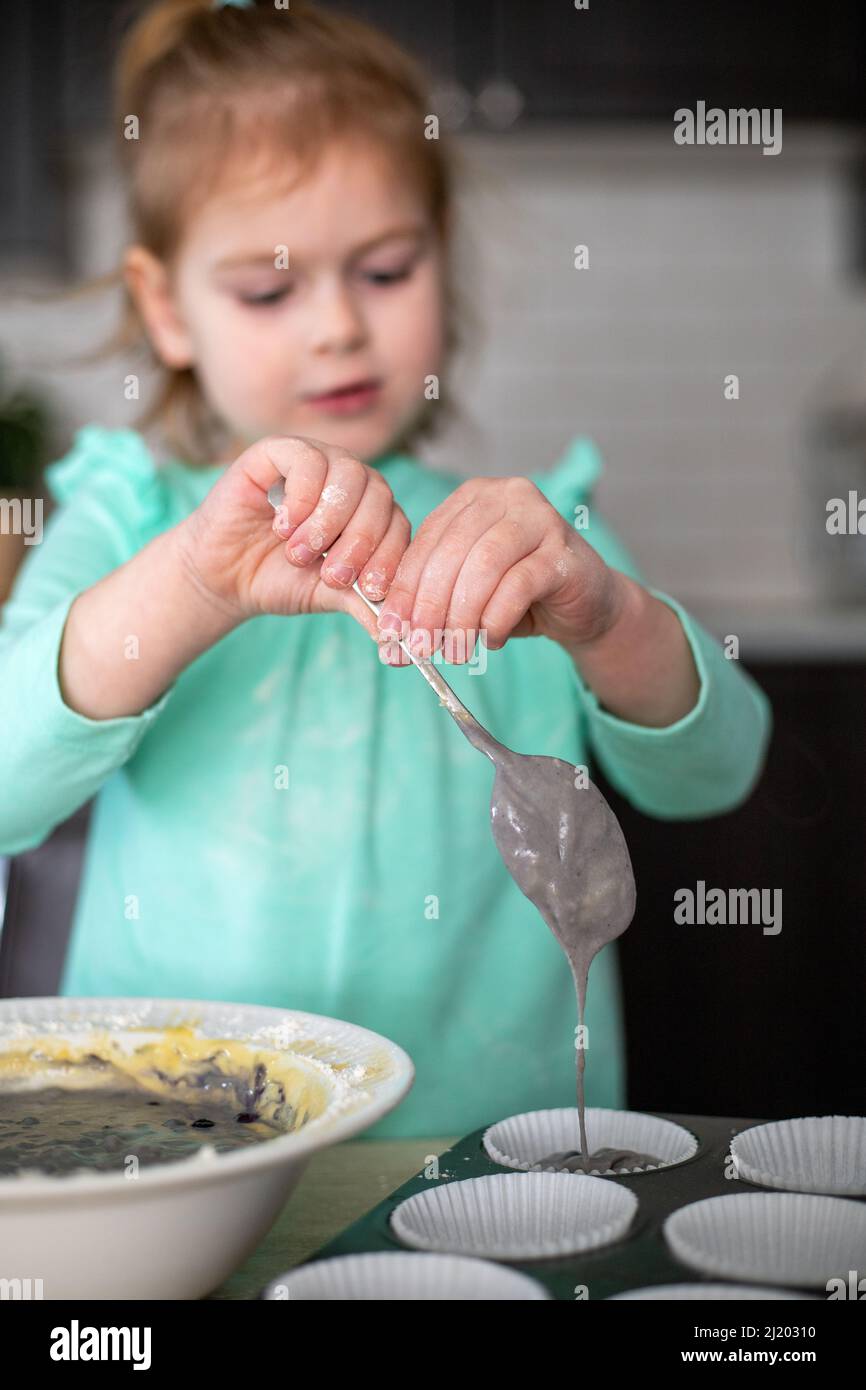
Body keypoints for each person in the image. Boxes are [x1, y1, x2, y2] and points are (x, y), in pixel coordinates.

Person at [0, 0, 771, 1138]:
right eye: (268, 290)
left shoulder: (534, 538)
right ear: (166, 308)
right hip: (178, 1151)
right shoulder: (132, 521)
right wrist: (197, 590)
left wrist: (604, 615)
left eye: (385, 270)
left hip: (493, 1157)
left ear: (439, 260)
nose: (336, 330)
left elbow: (712, 773)